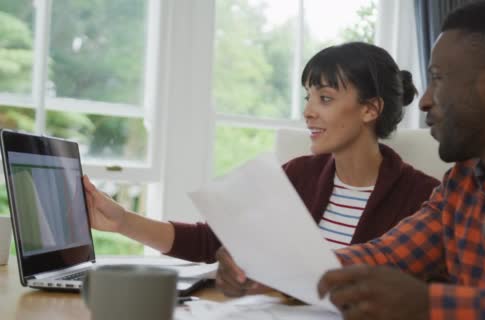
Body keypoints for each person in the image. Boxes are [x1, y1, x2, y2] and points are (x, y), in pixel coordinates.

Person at [218, 0, 485, 318]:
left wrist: (431, 306)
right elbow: (385, 255)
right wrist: (272, 272)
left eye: (438, 77)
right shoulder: (463, 183)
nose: (422, 101)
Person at [83, 42, 439, 267]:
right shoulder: (299, 175)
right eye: (308, 98)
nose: (309, 112)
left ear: (369, 110)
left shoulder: (425, 197)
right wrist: (121, 221)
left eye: (325, 98)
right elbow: (211, 241)